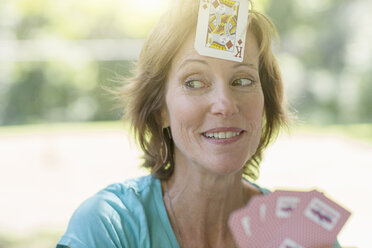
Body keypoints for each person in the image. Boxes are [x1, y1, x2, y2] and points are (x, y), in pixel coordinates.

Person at [56, 0, 339, 247]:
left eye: (243, 80)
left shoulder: (305, 233)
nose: (225, 104)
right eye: (194, 82)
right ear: (160, 110)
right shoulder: (109, 228)